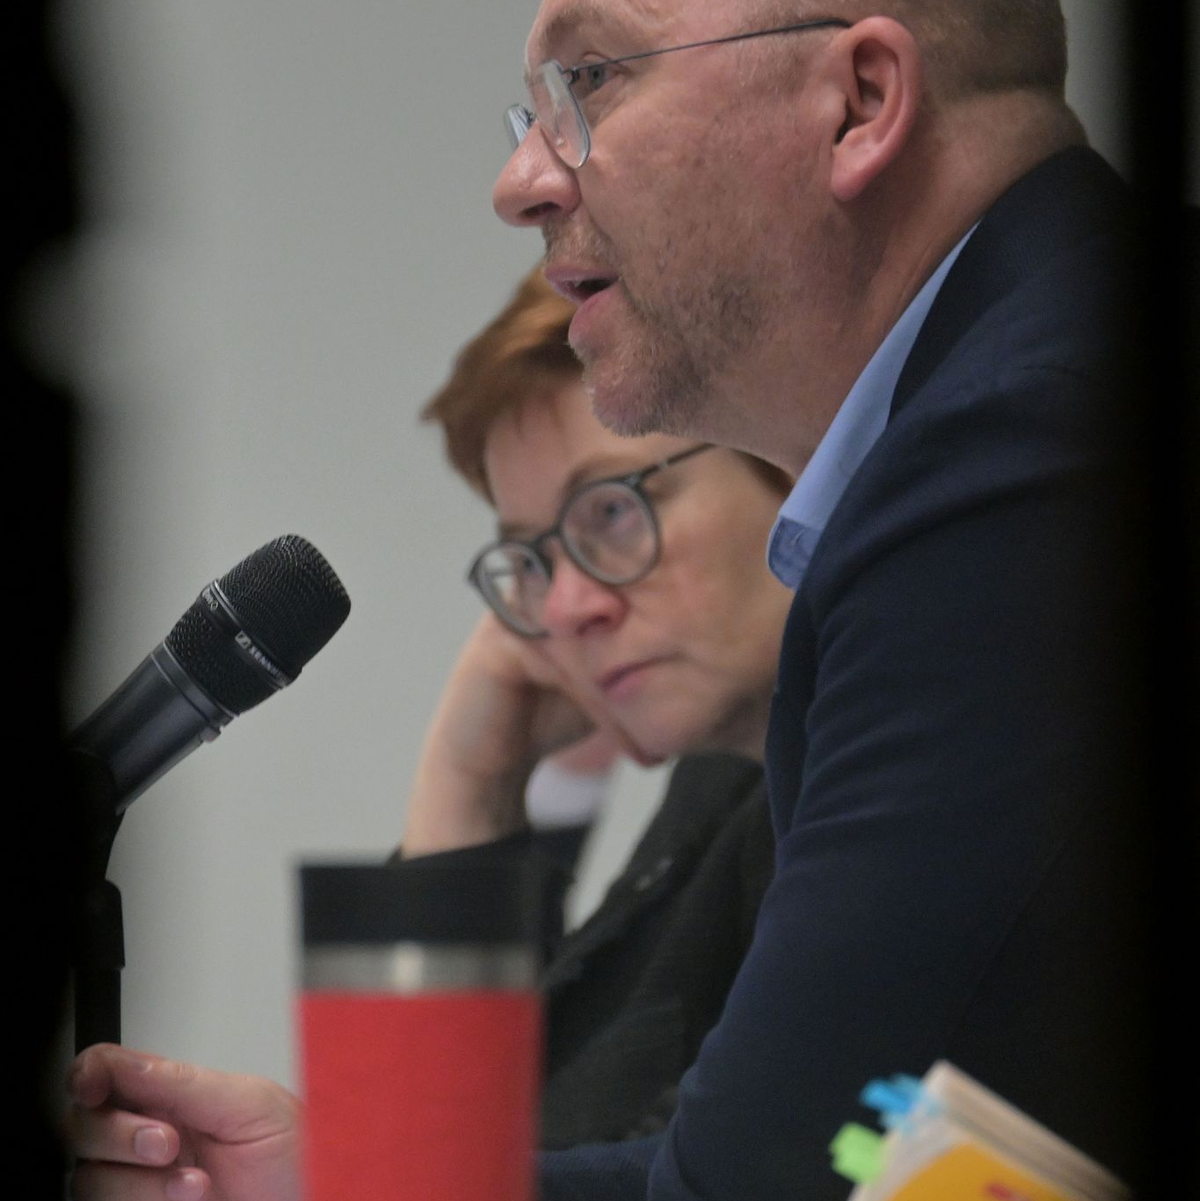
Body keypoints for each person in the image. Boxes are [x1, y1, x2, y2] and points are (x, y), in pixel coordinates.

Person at [68, 2, 1162, 1198]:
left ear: (860, 101)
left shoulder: (1016, 454)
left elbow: (741, 1183)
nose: (519, 182)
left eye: (591, 79)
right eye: (529, 555)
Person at [65, 269, 796, 1197]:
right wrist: (469, 778)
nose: (564, 607)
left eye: (610, 511)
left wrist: (349, 1177)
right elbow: (502, 1140)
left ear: (790, 463)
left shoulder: (864, 780)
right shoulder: (728, 784)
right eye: (532, 559)